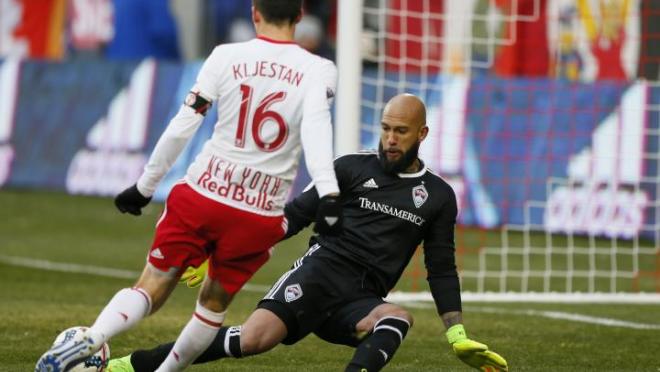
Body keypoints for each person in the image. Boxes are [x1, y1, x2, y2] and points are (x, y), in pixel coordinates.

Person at [36, 1, 343, 371]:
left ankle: (94, 337)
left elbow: (184, 124)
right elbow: (315, 128)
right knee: (212, 307)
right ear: (299, 16)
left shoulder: (225, 55)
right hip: (257, 212)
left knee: (150, 288)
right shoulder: (319, 69)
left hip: (203, 194)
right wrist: (328, 192)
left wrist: (145, 185)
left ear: (254, 13)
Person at [106, 94, 509, 372]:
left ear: (422, 134)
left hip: (363, 298)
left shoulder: (438, 196)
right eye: (386, 128)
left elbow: (440, 266)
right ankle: (135, 364)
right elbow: (294, 216)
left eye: (401, 131)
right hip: (317, 276)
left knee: (397, 318)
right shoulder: (351, 168)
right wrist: (215, 257)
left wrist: (456, 333)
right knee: (251, 341)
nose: (390, 139)